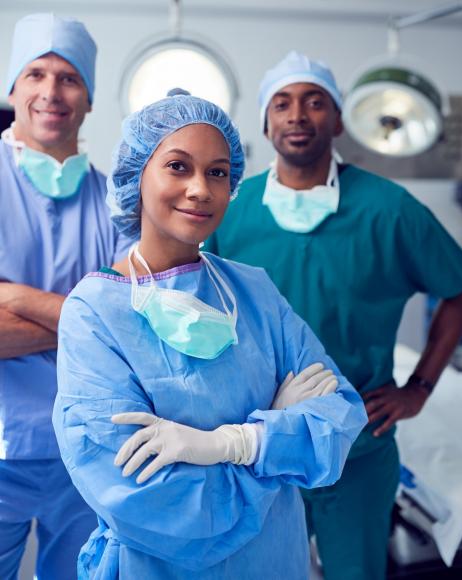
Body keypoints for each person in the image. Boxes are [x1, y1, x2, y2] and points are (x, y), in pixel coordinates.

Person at [52, 90, 368, 579]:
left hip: (275, 561)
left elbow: (341, 415)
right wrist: (273, 445)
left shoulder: (254, 292)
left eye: (218, 172)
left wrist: (232, 443)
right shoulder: (95, 314)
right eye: (178, 167)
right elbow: (143, 500)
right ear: (137, 177)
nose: (201, 188)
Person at [203, 51, 462, 580]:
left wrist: (419, 385)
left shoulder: (389, 210)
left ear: (338, 119)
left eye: (314, 102)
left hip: (357, 446)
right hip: (261, 444)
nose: (297, 116)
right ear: (265, 122)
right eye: (282, 104)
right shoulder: (231, 209)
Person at [0, 13, 131, 580]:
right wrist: (92, 316)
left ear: (90, 97)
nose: (51, 92)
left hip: (90, 447)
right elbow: (112, 319)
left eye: (69, 78)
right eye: (36, 74)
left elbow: (134, 324)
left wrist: (13, 297)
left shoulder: (119, 204)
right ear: (13, 88)